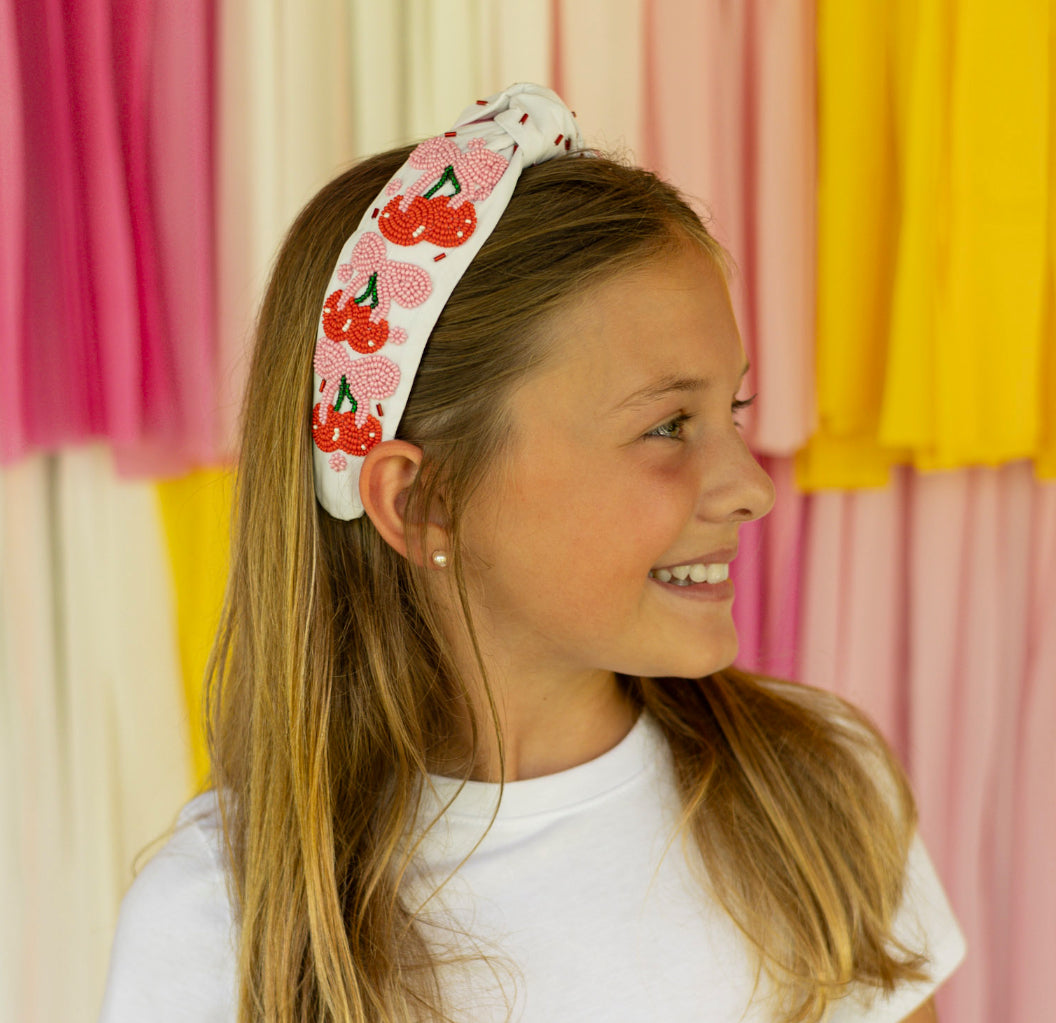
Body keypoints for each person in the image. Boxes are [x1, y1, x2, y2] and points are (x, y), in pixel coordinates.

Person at [98, 84, 964, 1023]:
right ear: (423, 500)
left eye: (733, 412)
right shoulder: (222, 924)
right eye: (670, 425)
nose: (751, 485)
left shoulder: (821, 788)